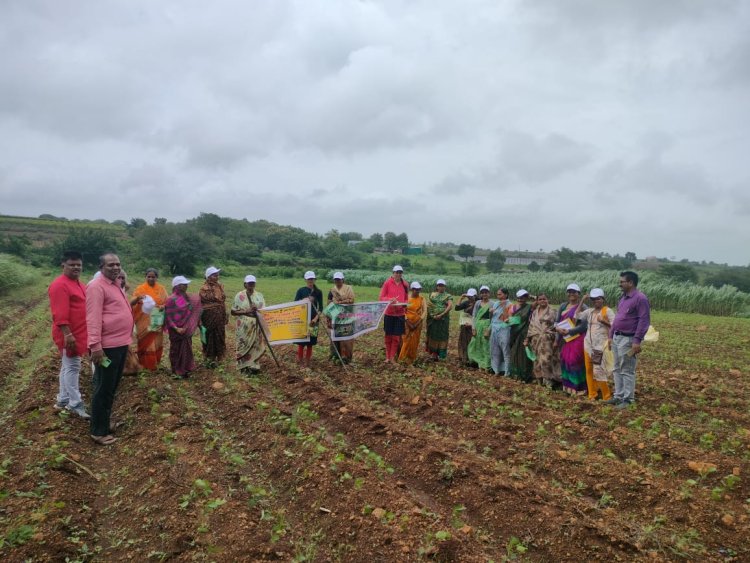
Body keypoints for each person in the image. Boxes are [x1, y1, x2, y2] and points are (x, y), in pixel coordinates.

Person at [86, 253, 134, 445]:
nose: (115, 268)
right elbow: (93, 318)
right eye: (111, 265)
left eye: (118, 264)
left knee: (111, 387)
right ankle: (98, 431)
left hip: (121, 344)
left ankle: (104, 422)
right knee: (103, 389)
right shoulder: (96, 287)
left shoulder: (115, 285)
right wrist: (95, 347)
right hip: (107, 348)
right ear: (101, 267)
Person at [47, 250, 89, 418]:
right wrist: (67, 334)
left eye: (78, 264)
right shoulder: (60, 285)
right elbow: (60, 313)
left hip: (79, 331)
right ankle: (75, 403)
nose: (76, 267)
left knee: (67, 365)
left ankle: (63, 399)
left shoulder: (79, 283)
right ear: (63, 265)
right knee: (72, 366)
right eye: (72, 265)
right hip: (69, 334)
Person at [606, 271, 651, 409]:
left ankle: (628, 399)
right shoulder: (623, 298)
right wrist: (610, 335)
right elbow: (618, 318)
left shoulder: (640, 298)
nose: (620, 284)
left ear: (630, 283)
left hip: (628, 338)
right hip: (617, 337)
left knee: (627, 369)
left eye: (622, 282)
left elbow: (644, 321)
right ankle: (618, 396)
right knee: (616, 368)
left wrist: (637, 340)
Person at [578, 288, 615, 401]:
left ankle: (606, 396)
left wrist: (603, 321)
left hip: (599, 346)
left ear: (603, 299)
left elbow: (615, 326)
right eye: (593, 299)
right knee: (589, 370)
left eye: (598, 299)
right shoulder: (589, 311)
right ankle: (592, 394)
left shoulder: (607, 311)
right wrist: (582, 300)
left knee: (598, 370)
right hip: (588, 345)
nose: (596, 301)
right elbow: (577, 315)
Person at [129, 268, 168, 371]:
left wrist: (163, 306)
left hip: (157, 320)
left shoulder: (161, 289)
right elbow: (132, 302)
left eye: (153, 277)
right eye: (149, 276)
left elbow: (167, 302)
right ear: (145, 277)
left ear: (156, 278)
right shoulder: (140, 289)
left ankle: (155, 363)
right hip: (143, 321)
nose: (151, 278)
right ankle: (145, 365)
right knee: (145, 342)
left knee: (156, 342)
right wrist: (138, 298)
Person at [165, 276, 202, 378]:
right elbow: (168, 317)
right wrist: (176, 328)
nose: (186, 286)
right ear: (177, 286)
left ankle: (185, 369)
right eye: (184, 284)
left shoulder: (185, 298)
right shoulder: (171, 299)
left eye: (186, 284)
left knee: (186, 349)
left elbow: (188, 311)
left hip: (185, 329)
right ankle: (176, 370)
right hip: (176, 330)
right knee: (176, 350)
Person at [555, 283, 589, 395]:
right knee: (565, 360)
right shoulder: (563, 306)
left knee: (575, 361)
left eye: (574, 292)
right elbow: (557, 321)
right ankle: (567, 387)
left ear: (578, 294)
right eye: (569, 292)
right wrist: (557, 332)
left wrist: (570, 331)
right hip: (566, 339)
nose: (571, 294)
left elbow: (584, 325)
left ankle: (579, 388)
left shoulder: (584, 307)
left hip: (578, 338)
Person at [231, 275, 266, 375]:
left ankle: (254, 366)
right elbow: (233, 312)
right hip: (244, 327)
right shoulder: (239, 296)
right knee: (243, 345)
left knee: (256, 345)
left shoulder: (259, 296)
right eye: (249, 283)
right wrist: (246, 311)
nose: (251, 285)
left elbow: (264, 310)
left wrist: (257, 310)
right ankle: (243, 366)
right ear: (245, 284)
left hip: (256, 325)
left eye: (253, 283)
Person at [524, 293, 561, 387]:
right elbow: (531, 326)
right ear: (537, 301)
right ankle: (539, 380)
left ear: (547, 300)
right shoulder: (535, 312)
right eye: (540, 299)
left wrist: (556, 340)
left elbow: (557, 326)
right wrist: (527, 339)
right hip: (535, 340)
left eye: (544, 299)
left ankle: (548, 381)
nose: (542, 301)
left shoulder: (553, 311)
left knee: (546, 360)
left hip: (547, 340)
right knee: (536, 360)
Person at [379, 265, 409, 363]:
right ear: (393, 273)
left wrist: (405, 304)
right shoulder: (387, 283)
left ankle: (392, 357)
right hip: (389, 313)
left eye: (400, 272)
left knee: (396, 337)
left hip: (400, 314)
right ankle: (387, 356)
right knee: (388, 336)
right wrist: (389, 300)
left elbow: (406, 298)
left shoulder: (405, 284)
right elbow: (381, 298)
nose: (398, 274)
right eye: (396, 272)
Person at [199, 266, 228, 367]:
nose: (216, 277)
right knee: (209, 335)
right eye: (214, 275)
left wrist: (225, 314)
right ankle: (209, 357)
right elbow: (202, 304)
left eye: (217, 275)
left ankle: (219, 356)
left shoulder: (220, 286)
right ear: (208, 277)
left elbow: (222, 301)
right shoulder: (204, 289)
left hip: (220, 315)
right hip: (208, 317)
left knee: (220, 334)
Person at [294, 271, 323, 367]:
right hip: (302, 319)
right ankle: (300, 360)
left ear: (315, 279)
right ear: (305, 280)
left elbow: (321, 308)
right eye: (309, 279)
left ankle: (307, 361)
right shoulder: (301, 290)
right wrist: (304, 300)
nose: (311, 281)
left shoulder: (318, 292)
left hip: (313, 320)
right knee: (301, 342)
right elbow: (295, 304)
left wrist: (315, 319)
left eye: (312, 279)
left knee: (310, 342)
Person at [327, 272, 355, 364]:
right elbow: (329, 304)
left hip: (346, 315)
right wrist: (329, 318)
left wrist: (341, 302)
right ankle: (336, 355)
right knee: (336, 336)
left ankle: (346, 357)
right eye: (336, 280)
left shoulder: (348, 289)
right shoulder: (332, 291)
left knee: (346, 336)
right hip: (336, 315)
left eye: (339, 279)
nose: (337, 281)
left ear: (343, 280)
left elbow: (351, 300)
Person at [508, 289, 533, 382]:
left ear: (526, 298)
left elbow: (538, 301)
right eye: (519, 298)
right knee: (514, 352)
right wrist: (510, 321)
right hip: (515, 332)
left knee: (523, 353)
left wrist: (531, 296)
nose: (520, 300)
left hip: (525, 332)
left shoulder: (529, 307)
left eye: (523, 298)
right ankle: (515, 374)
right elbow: (510, 320)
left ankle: (524, 375)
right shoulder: (513, 307)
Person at [398, 282, 427, 365]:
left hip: (418, 323)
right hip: (407, 323)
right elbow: (403, 311)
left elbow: (424, 311)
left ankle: (411, 359)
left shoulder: (422, 299)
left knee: (415, 341)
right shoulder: (406, 298)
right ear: (412, 289)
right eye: (415, 289)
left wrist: (418, 322)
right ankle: (402, 359)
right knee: (405, 341)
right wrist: (407, 321)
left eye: (419, 289)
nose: (417, 291)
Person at [425, 279, 453, 361]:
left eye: (442, 285)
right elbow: (429, 305)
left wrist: (442, 314)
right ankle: (434, 354)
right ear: (437, 286)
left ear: (445, 287)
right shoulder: (432, 295)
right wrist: (433, 315)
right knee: (433, 334)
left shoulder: (448, 296)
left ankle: (441, 355)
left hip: (443, 320)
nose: (441, 287)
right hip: (433, 319)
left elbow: (450, 306)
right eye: (439, 285)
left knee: (442, 335)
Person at [467, 286, 493, 371]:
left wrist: (489, 329)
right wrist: (473, 328)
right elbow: (474, 315)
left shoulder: (492, 303)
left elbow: (493, 318)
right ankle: (478, 362)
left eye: (486, 292)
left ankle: (486, 364)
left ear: (489, 293)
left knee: (486, 344)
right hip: (478, 325)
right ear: (480, 294)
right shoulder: (478, 303)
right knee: (475, 343)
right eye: (482, 292)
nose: (484, 294)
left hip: (486, 325)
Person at [489, 288, 512, 376]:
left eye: (500, 294)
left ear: (506, 295)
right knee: (494, 350)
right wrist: (491, 312)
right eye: (498, 294)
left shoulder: (510, 305)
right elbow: (492, 318)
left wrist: (503, 307)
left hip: (504, 330)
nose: (498, 296)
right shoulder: (495, 304)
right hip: (494, 329)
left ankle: (506, 372)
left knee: (505, 350)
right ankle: (496, 370)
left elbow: (508, 319)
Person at [455, 288, 477, 366]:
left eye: (471, 296)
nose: (469, 298)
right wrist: (461, 298)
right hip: (465, 325)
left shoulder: (478, 303)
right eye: (468, 296)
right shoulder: (466, 303)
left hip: (474, 326)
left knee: (472, 342)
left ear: (475, 296)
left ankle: (473, 359)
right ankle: (465, 357)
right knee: (464, 341)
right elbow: (457, 308)